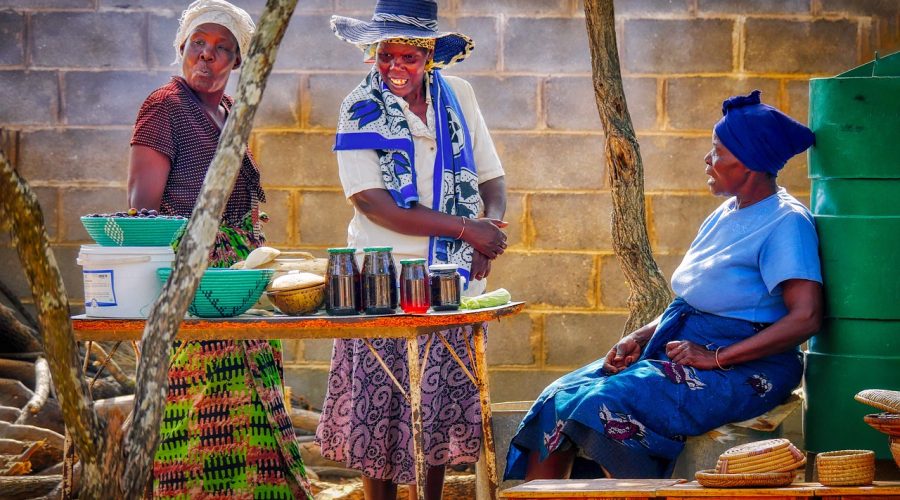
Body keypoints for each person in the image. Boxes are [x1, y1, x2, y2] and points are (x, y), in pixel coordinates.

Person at [505, 90, 823, 480]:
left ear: (750, 163)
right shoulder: (728, 211)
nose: (708, 159)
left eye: (718, 150)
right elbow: (691, 300)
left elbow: (806, 317)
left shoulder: (786, 222)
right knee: (558, 398)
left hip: (746, 368)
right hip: (686, 350)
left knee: (603, 405)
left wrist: (718, 357)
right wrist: (640, 337)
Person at [315, 1, 508, 498]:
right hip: (380, 278)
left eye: (407, 57)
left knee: (435, 403)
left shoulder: (458, 95)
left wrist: (489, 229)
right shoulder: (359, 106)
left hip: (450, 278)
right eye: (385, 57)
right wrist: (470, 230)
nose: (395, 69)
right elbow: (374, 203)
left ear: (429, 56)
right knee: (377, 407)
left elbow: (490, 175)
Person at [126, 1, 311, 497]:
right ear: (182, 48)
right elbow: (143, 207)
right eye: (198, 46)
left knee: (251, 406)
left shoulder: (229, 111)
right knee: (201, 413)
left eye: (221, 49)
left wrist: (246, 229)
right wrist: (195, 259)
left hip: (234, 284)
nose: (206, 57)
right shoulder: (166, 106)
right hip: (193, 284)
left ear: (236, 60)